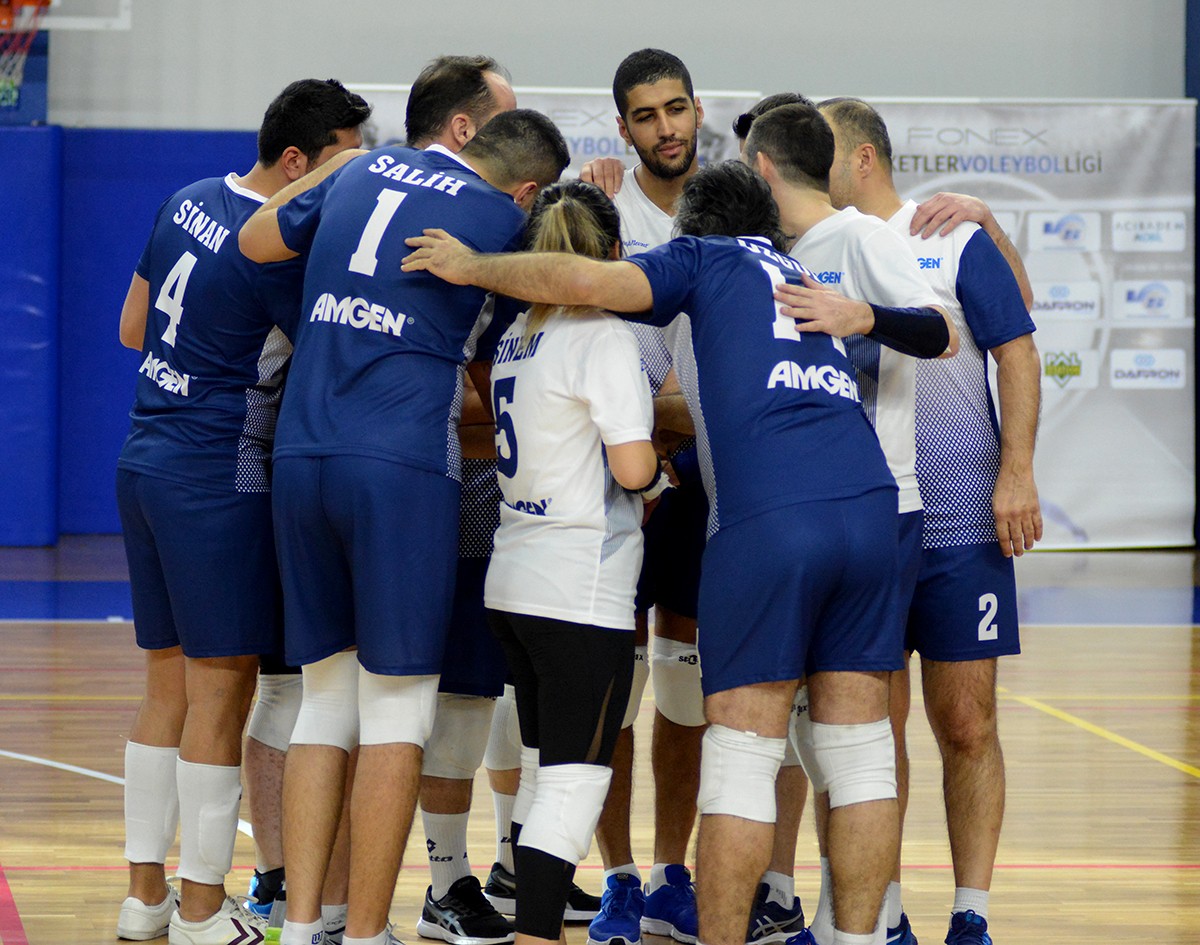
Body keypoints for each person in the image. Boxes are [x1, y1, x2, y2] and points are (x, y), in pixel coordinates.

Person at [402, 158, 959, 945]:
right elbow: (940, 332)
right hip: (872, 507)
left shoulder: (702, 259)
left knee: (741, 752)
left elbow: (588, 283)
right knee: (861, 752)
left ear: (693, 231)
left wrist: (473, 266)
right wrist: (865, 316)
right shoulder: (799, 273)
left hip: (764, 516)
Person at [238, 108, 570, 945]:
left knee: (323, 702)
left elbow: (254, 241)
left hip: (301, 451)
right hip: (400, 462)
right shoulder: (502, 219)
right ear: (528, 189)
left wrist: (339, 172)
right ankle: (364, 933)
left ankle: (305, 925)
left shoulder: (359, 170)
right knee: (396, 712)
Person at [114, 77, 370, 945]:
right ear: (297, 162)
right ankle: (198, 909)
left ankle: (144, 898)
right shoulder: (277, 254)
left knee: (164, 694)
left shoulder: (185, 197)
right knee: (221, 700)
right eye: (344, 163)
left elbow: (132, 327)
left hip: (143, 459)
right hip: (215, 476)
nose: (354, 178)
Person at [816, 95, 1042, 945]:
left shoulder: (950, 236)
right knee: (866, 734)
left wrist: (1016, 470)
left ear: (863, 157)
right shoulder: (813, 246)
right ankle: (879, 911)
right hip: (864, 527)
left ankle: (971, 914)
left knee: (967, 723)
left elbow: (1018, 347)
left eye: (822, 153)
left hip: (959, 522)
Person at [485, 177, 662, 945]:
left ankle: (534, 925)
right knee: (573, 782)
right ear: (615, 255)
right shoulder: (603, 335)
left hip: (515, 577)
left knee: (542, 769)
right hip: (578, 588)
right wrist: (662, 475)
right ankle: (536, 934)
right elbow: (632, 467)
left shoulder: (518, 334)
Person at [579, 49, 714, 945]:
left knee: (686, 683)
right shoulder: (598, 210)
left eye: (675, 109)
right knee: (613, 686)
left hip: (701, 474)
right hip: (614, 475)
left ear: (698, 110)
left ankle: (671, 871)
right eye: (645, 114)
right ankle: (618, 876)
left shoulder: (735, 208)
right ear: (622, 127)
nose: (665, 128)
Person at [396, 55, 521, 945]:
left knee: (487, 690)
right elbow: (475, 395)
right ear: (465, 128)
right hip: (425, 482)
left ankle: (499, 865)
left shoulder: (499, 229)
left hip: (490, 495)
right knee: (417, 694)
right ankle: (439, 878)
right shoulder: (445, 224)